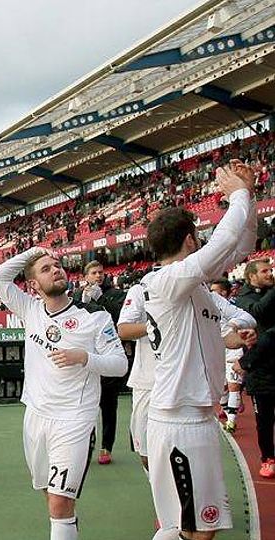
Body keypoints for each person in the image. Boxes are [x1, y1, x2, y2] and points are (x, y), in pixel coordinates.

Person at [141, 160, 257, 540]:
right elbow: (223, 242)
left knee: (190, 528)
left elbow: (241, 245)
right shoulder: (166, 280)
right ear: (191, 240)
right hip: (179, 422)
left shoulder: (194, 285)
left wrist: (248, 197)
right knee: (197, 531)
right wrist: (236, 195)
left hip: (195, 419)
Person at [0, 247, 128, 540]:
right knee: (50, 494)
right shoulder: (29, 308)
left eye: (57, 265)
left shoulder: (94, 315)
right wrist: (34, 251)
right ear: (33, 285)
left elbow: (120, 364)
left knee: (59, 501)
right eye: (46, 268)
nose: (56, 269)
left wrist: (84, 357)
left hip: (74, 419)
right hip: (36, 416)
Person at [78, 260, 127, 465]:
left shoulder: (115, 294)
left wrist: (102, 299)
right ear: (85, 276)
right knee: (85, 407)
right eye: (94, 273)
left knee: (108, 406)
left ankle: (106, 446)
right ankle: (85, 445)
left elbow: (122, 318)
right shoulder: (76, 296)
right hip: (86, 360)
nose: (98, 276)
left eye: (101, 272)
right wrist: (82, 302)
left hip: (107, 357)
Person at [234, 258, 275, 478]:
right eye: (264, 271)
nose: (269, 274)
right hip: (260, 370)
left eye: (270, 270)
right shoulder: (243, 299)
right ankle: (268, 458)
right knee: (264, 421)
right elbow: (257, 312)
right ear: (251, 276)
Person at [209, 279, 245, 433]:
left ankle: (231, 422)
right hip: (218, 352)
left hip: (234, 352)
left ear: (223, 292)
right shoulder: (208, 306)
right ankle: (229, 409)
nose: (211, 293)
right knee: (221, 388)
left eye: (214, 290)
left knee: (233, 386)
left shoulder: (235, 307)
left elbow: (244, 323)